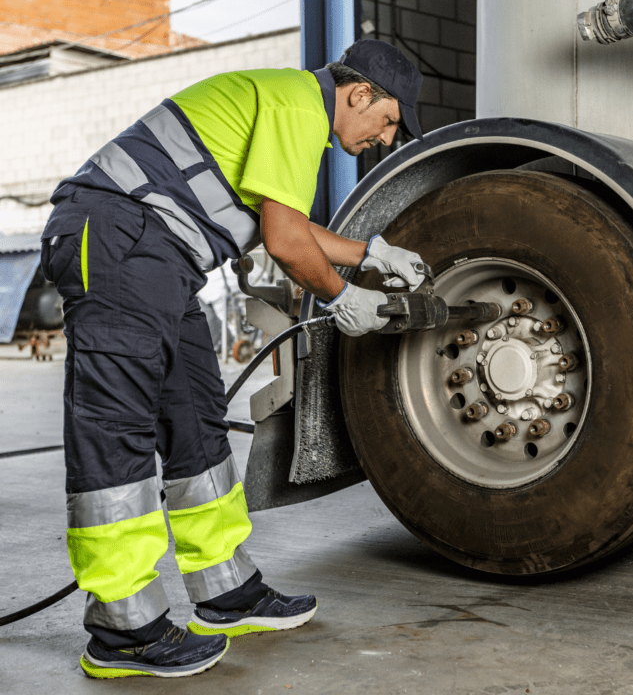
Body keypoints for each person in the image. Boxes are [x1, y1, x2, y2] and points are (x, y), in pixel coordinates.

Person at [40, 38, 425, 679]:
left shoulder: (292, 108)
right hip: (115, 235)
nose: (385, 139)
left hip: (159, 255)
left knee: (195, 417)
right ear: (360, 94)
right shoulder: (298, 104)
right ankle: (121, 628)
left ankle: (224, 591)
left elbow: (289, 228)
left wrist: (371, 254)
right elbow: (283, 240)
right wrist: (341, 297)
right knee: (118, 426)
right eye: (388, 120)